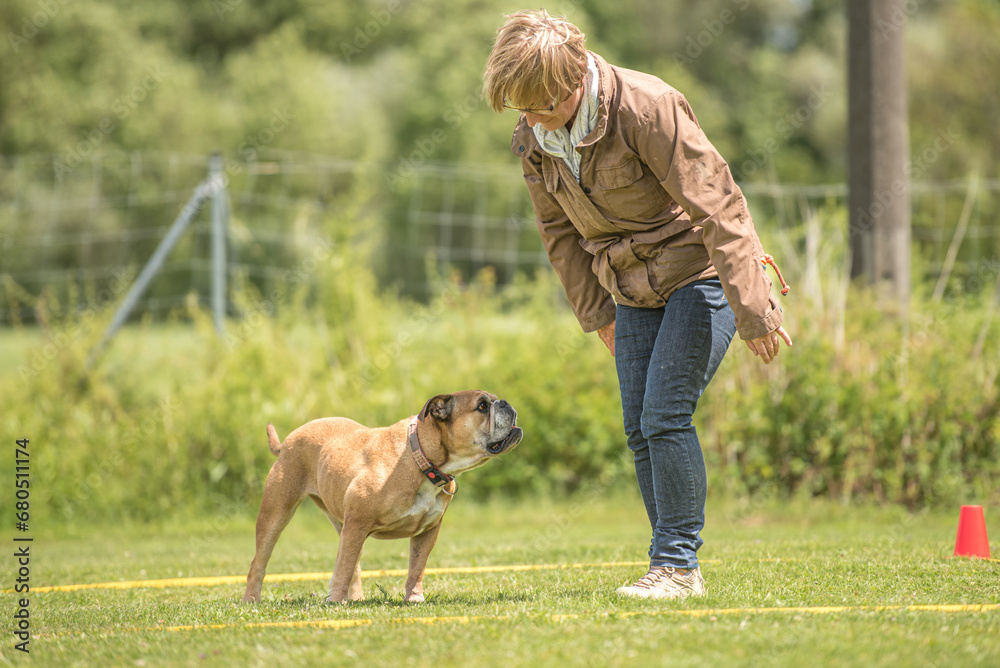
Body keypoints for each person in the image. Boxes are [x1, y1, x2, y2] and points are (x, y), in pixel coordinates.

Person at [482, 10, 792, 599]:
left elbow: (719, 206)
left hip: (700, 274)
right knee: (638, 428)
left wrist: (752, 308)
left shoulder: (648, 108)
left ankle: (677, 566)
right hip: (629, 290)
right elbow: (557, 230)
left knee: (664, 416)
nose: (528, 120)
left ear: (573, 81)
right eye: (520, 109)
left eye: (539, 107)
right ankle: (668, 566)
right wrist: (597, 312)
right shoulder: (532, 136)